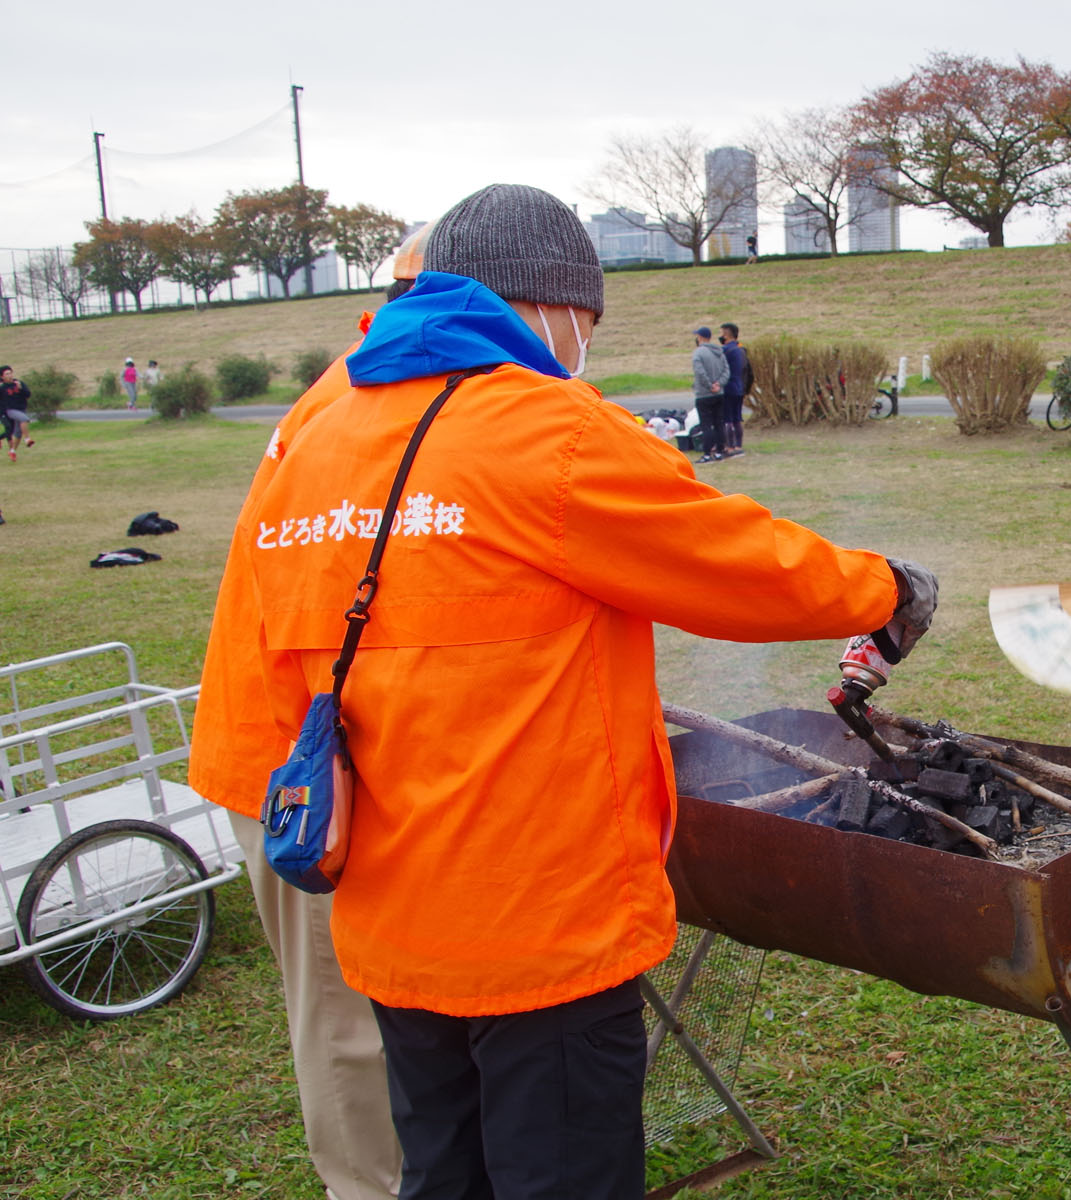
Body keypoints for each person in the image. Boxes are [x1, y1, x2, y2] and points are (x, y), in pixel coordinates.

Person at [220, 183, 938, 1200]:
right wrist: (886, 588)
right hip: (538, 921)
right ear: (556, 305)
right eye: (587, 320)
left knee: (442, 1173)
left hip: (387, 910)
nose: (584, 342)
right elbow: (733, 562)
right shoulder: (544, 426)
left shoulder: (321, 432)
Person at [187, 236, 434, 1200]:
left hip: (332, 750)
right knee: (349, 1025)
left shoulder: (388, 391)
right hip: (297, 767)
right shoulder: (359, 409)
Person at [691, 325, 729, 463]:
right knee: (719, 423)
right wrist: (719, 384)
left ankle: (707, 453)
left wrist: (709, 385)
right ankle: (719, 452)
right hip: (719, 393)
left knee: (706, 425)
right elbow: (726, 370)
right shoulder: (719, 352)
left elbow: (699, 372)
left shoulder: (698, 353)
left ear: (700, 337)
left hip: (704, 394)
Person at [718, 322, 751, 457]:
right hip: (740, 387)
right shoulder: (741, 349)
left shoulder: (726, 350)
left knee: (727, 419)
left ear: (726, 335)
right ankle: (738, 445)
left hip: (728, 388)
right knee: (737, 418)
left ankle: (730, 447)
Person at [1, 366, 32, 463]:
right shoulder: (2, 388)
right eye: (7, 374)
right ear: (2, 377)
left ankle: (12, 451)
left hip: (22, 409)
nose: (10, 375)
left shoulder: (18, 383)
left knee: (18, 433)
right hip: (10, 410)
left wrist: (20, 388)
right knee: (24, 419)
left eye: (10, 373)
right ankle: (27, 439)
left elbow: (28, 395)